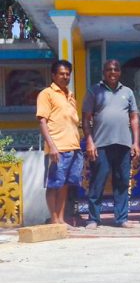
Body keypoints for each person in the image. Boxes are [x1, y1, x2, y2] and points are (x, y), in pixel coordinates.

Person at [82, 60, 140, 229]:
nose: (112, 72)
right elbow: (86, 119)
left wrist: (135, 142)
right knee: (97, 182)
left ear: (120, 72)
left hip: (123, 144)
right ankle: (93, 218)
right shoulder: (94, 91)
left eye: (115, 69)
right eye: (109, 69)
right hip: (101, 144)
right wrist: (90, 142)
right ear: (103, 72)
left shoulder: (128, 92)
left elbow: (134, 118)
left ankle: (121, 218)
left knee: (122, 182)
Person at [36, 60, 83, 229]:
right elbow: (42, 121)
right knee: (54, 184)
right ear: (53, 75)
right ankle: (53, 219)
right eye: (61, 74)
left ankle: (61, 219)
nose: (65, 77)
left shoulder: (70, 95)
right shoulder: (46, 94)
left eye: (67, 74)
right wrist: (52, 146)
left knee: (64, 185)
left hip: (73, 147)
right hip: (57, 148)